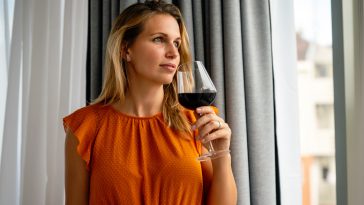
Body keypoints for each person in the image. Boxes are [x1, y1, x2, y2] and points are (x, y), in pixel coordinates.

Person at [63, 1, 237, 204]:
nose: (173, 53)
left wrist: (222, 154)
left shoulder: (196, 121)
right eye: (159, 39)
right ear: (125, 49)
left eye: (177, 43)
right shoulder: (84, 127)